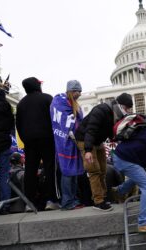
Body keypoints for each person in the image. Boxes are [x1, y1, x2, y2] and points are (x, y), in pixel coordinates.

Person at [75, 93, 133, 211]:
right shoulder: (100, 110)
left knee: (103, 170)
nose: (127, 111)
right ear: (121, 106)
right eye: (127, 109)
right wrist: (88, 150)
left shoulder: (115, 114)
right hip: (85, 140)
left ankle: (104, 196)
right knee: (94, 170)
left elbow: (112, 132)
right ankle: (98, 201)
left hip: (97, 141)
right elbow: (90, 130)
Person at [16, 77, 59, 211]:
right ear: (37, 85)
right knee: (50, 168)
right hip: (47, 138)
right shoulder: (47, 98)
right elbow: (55, 119)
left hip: (29, 140)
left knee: (30, 170)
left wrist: (25, 139)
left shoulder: (21, 103)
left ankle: (30, 203)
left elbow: (18, 125)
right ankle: (51, 200)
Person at [50, 80, 85, 210]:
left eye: (80, 91)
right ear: (71, 91)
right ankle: (67, 202)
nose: (79, 94)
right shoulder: (59, 102)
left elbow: (78, 120)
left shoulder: (73, 104)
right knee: (67, 172)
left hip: (74, 141)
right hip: (64, 141)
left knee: (74, 172)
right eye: (77, 91)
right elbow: (64, 121)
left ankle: (74, 200)